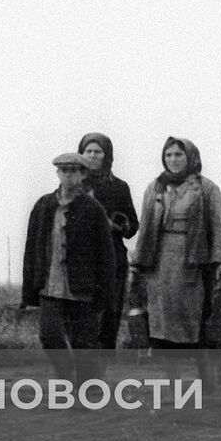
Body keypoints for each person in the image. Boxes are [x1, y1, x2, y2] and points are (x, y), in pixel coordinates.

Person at [130, 137, 221, 390]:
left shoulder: (207, 189)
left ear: (191, 157)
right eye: (168, 155)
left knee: (192, 320)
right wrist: (137, 264)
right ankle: (172, 381)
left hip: (192, 261)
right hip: (159, 262)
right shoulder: (155, 187)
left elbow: (218, 227)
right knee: (162, 324)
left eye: (178, 155)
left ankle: (204, 374)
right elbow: (145, 228)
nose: (173, 160)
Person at [21, 153, 115, 390]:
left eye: (73, 170)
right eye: (63, 170)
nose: (68, 175)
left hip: (82, 287)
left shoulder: (93, 209)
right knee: (49, 336)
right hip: (50, 285)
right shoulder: (44, 205)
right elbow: (32, 248)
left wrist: (103, 292)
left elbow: (105, 254)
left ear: (83, 174)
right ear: (57, 173)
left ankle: (85, 392)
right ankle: (66, 375)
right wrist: (29, 290)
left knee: (83, 341)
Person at [78, 132, 139, 351]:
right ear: (81, 154)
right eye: (88, 151)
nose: (93, 156)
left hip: (112, 260)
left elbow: (133, 226)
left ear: (107, 155)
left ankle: (98, 378)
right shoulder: (74, 186)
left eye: (98, 151)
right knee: (82, 320)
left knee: (108, 320)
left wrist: (117, 225)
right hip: (82, 261)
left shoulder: (119, 187)